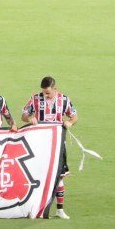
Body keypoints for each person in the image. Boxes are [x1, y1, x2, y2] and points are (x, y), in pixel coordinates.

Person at [21, 76, 78, 219]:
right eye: (44, 92)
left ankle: (60, 210)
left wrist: (70, 123)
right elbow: (24, 115)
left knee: (59, 177)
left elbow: (74, 116)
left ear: (55, 89)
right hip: (39, 144)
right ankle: (33, 208)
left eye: (48, 92)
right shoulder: (35, 99)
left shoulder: (64, 100)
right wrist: (30, 119)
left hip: (57, 144)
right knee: (35, 175)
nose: (45, 95)